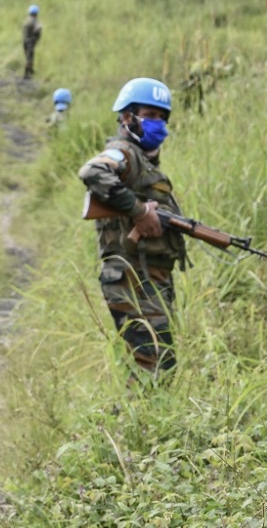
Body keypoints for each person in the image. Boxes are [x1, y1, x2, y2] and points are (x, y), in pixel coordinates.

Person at [79, 77, 183, 380]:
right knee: (155, 367)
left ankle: (134, 424)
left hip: (149, 278)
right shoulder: (122, 152)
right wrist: (139, 212)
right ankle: (138, 426)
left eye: (162, 117)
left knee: (153, 366)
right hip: (131, 278)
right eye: (150, 116)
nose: (158, 124)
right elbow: (92, 171)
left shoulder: (145, 163)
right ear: (127, 117)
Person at [22, 5, 42, 79]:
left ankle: (30, 70)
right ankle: (27, 73)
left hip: (25, 41)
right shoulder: (35, 22)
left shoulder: (26, 20)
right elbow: (37, 32)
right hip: (30, 42)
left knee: (28, 56)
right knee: (30, 58)